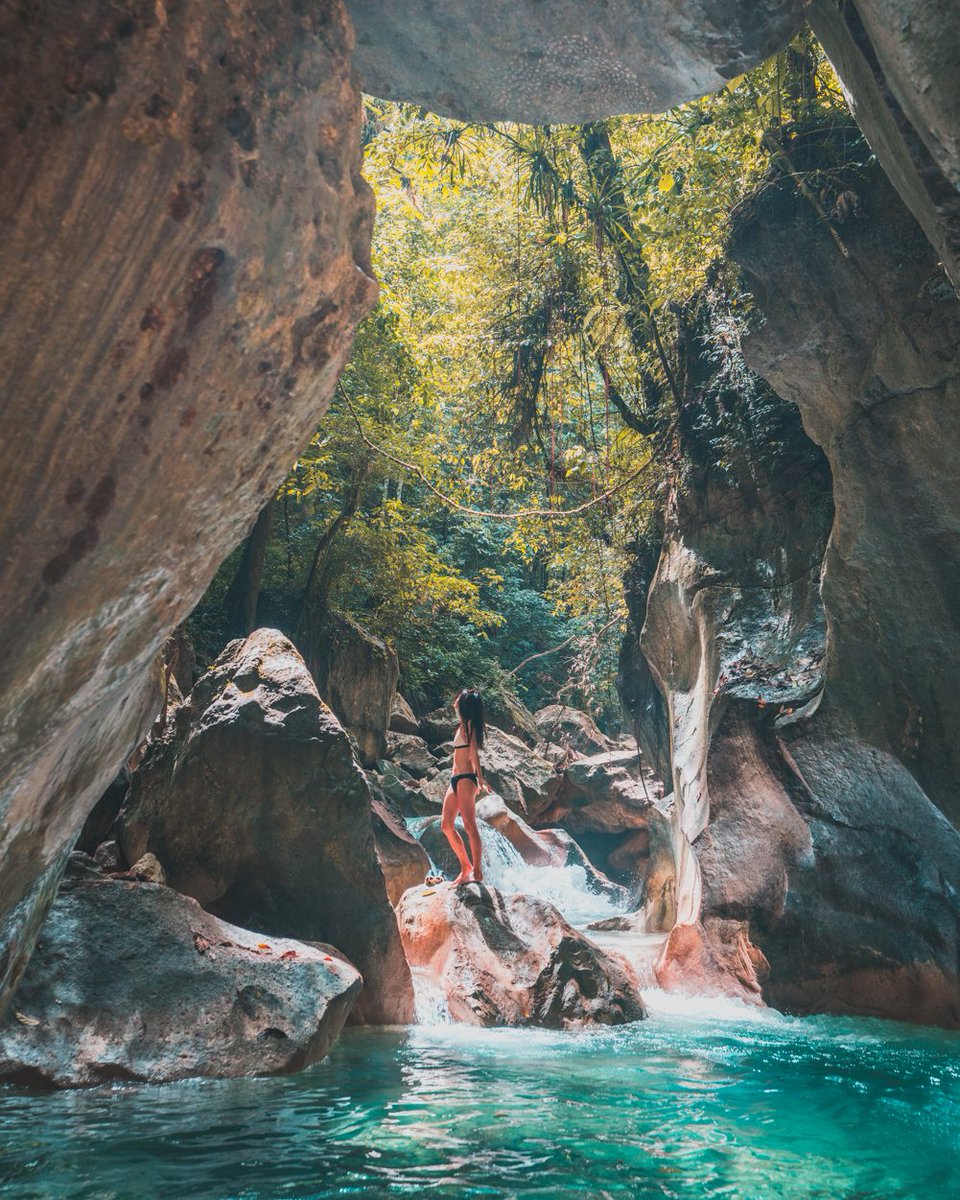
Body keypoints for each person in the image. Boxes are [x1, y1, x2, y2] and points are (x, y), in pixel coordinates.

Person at [440, 688, 489, 885]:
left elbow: (473, 754)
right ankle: (465, 867)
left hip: (467, 779)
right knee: (446, 825)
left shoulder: (470, 727)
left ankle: (477, 871)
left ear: (465, 705)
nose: (456, 700)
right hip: (455, 779)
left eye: (460, 699)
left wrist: (481, 778)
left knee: (469, 825)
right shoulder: (460, 725)